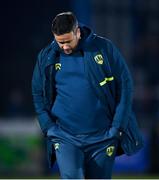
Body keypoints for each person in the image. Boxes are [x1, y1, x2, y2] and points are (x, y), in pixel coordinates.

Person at [32, 11, 143, 179]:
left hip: (102, 137)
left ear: (77, 31)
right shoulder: (47, 56)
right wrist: (49, 128)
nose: (64, 47)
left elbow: (125, 87)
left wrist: (117, 128)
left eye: (68, 41)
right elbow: (38, 94)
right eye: (59, 42)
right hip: (65, 137)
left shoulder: (104, 48)